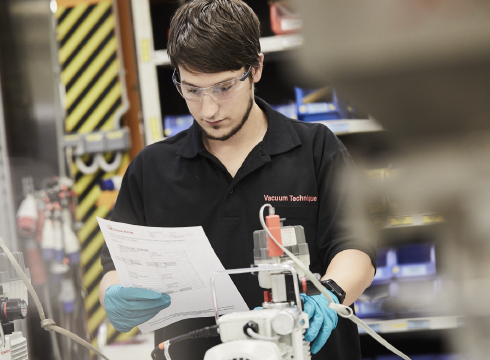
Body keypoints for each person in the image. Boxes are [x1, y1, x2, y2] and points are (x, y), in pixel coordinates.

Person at [99, 1, 376, 359]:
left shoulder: (316, 149)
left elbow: (356, 249)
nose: (208, 109)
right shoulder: (151, 169)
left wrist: (329, 296)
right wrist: (114, 295)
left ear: (256, 68)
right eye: (192, 90)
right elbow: (115, 269)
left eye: (224, 87)